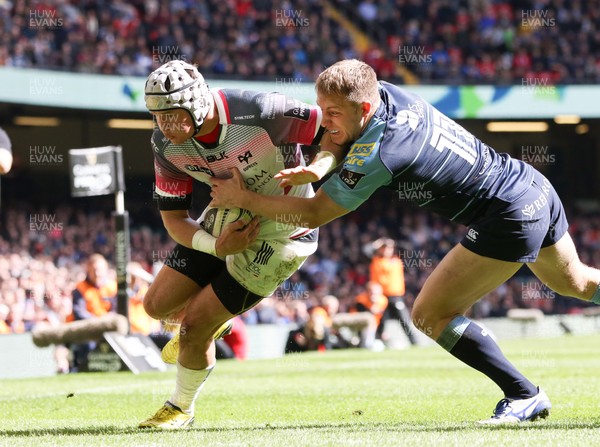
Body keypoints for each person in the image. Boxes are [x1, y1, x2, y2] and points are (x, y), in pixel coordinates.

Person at [210, 59, 600, 425]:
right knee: (576, 283)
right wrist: (316, 166)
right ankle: (523, 393)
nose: (323, 121)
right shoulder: (387, 93)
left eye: (332, 112)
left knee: (430, 315)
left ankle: (523, 394)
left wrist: (241, 199)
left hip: (507, 213)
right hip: (532, 186)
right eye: (320, 108)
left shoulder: (382, 152)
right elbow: (336, 138)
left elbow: (314, 215)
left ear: (363, 109)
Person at [138, 60, 336, 429]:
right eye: (157, 116)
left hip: (284, 233)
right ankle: (217, 320)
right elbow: (174, 219)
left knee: (193, 327)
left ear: (197, 102)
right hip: (227, 221)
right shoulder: (165, 145)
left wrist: (318, 167)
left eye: (172, 114)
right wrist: (218, 248)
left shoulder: (262, 109)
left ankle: (180, 407)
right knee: (156, 305)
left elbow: (336, 128)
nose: (164, 125)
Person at [69, 253, 117, 371]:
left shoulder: (112, 287)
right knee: (88, 344)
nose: (97, 273)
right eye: (94, 269)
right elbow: (79, 313)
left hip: (107, 328)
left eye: (100, 269)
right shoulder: (80, 288)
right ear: (88, 269)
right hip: (86, 329)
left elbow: (116, 309)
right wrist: (98, 322)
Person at [369, 237, 416, 344]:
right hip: (382, 296)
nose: (387, 250)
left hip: (396, 296)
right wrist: (377, 243)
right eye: (384, 248)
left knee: (404, 320)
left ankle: (414, 342)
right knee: (380, 320)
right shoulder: (376, 260)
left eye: (389, 248)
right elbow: (365, 250)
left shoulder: (396, 259)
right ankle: (375, 342)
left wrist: (393, 242)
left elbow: (407, 247)